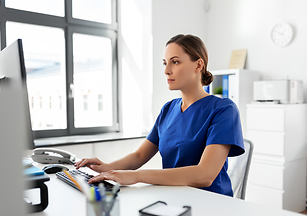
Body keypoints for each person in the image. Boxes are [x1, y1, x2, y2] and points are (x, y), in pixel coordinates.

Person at [75, 34, 245, 196]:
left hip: (213, 203)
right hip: (173, 197)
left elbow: (205, 175)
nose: (166, 70)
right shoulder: (168, 109)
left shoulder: (223, 110)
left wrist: (136, 176)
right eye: (165, 63)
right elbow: (139, 156)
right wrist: (106, 168)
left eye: (175, 62)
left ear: (198, 65)